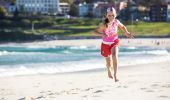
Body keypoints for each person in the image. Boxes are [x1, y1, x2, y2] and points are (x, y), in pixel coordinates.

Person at [92, 6, 134, 82]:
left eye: (113, 15)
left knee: (114, 55)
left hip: (114, 42)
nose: (111, 17)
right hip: (105, 44)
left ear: (115, 15)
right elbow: (94, 32)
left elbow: (122, 26)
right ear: (106, 15)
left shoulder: (116, 22)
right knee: (109, 63)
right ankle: (108, 69)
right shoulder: (104, 24)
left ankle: (116, 75)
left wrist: (126, 32)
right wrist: (102, 35)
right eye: (109, 15)